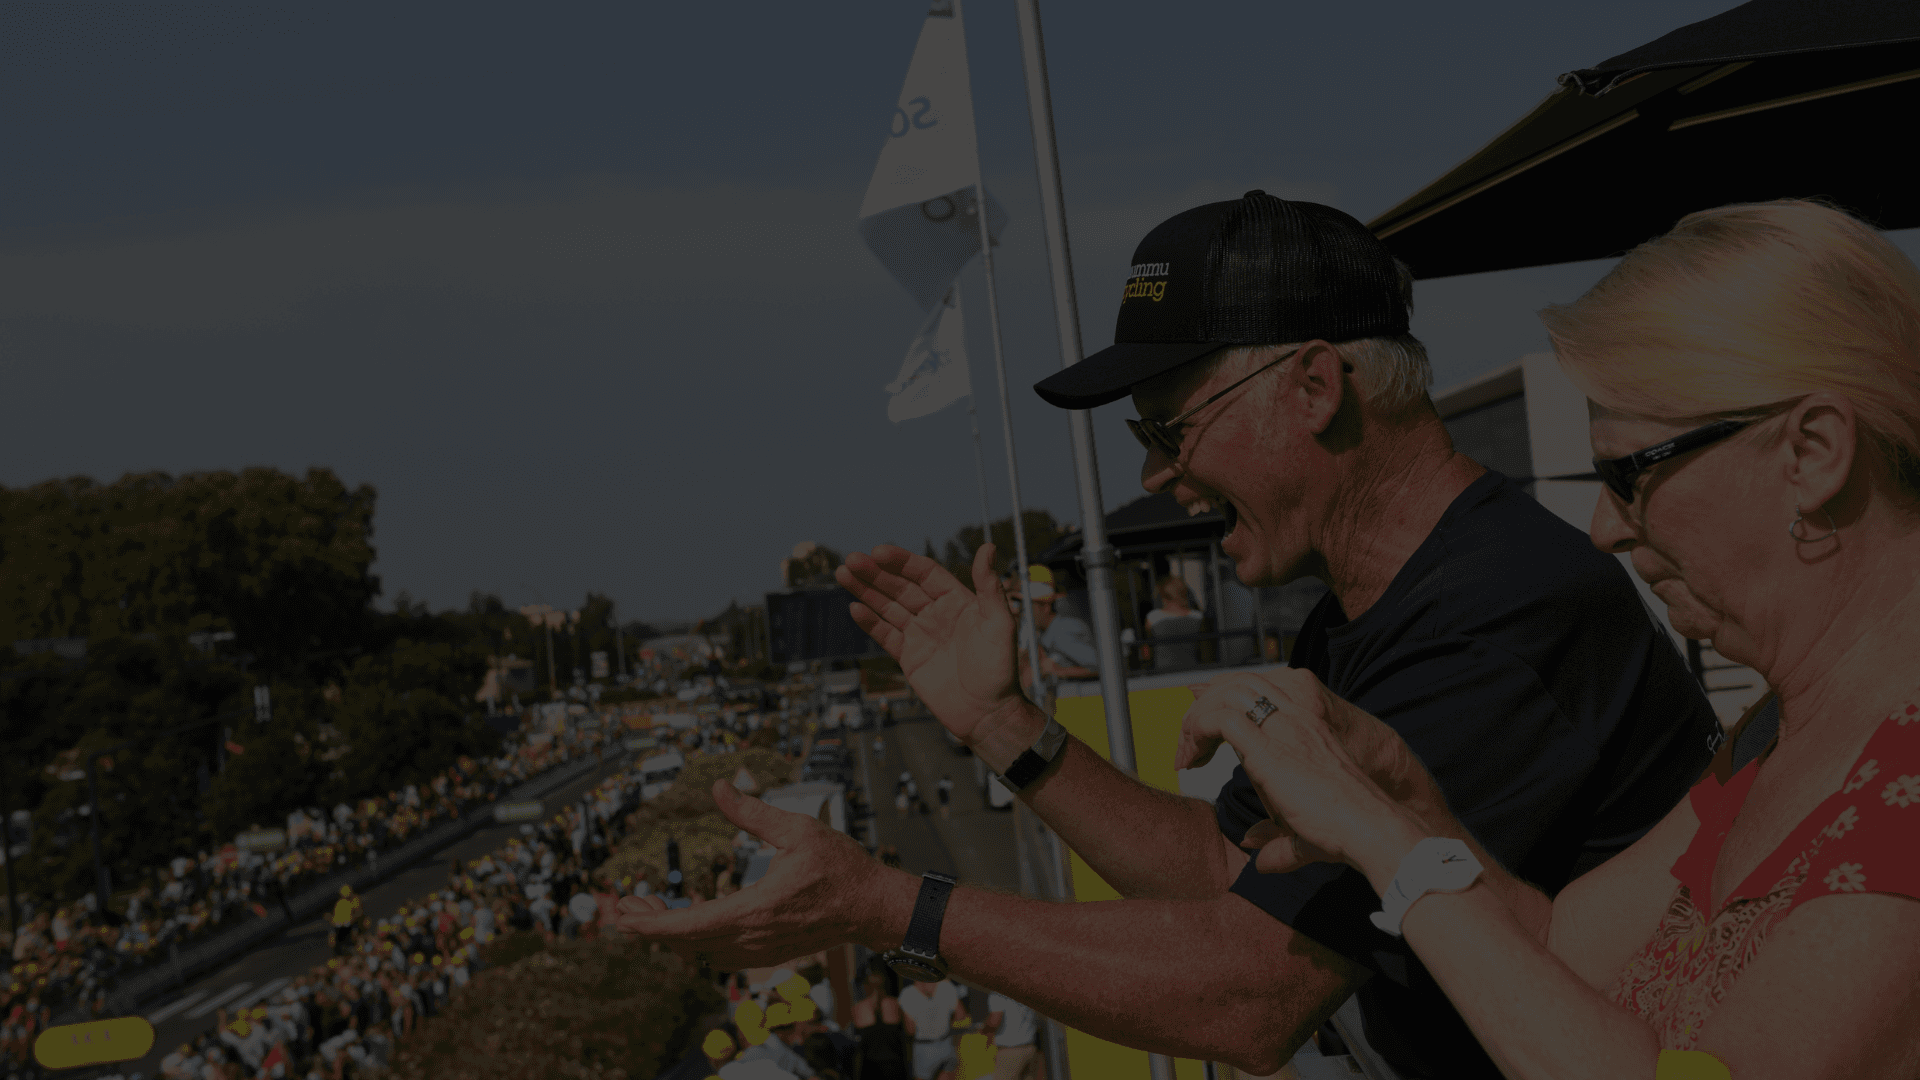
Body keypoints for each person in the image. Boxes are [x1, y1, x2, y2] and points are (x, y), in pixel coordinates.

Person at [616, 192, 1719, 1078]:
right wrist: (1007, 729)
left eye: (1168, 425)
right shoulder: (1377, 609)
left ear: (1313, 386)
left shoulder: (1502, 611)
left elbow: (1251, 992)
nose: (1156, 473)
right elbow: (1219, 872)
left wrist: (878, 905)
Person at [1184, 199, 1920, 1078]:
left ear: (1813, 451)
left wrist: (1389, 841)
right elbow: (1565, 947)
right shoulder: (1779, 729)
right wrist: (1412, 811)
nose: (1604, 524)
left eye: (1629, 473)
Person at [895, 977, 966, 1080]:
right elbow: (961, 1015)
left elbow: (910, 1030)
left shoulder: (907, 994)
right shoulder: (945, 985)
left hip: (924, 1049)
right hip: (946, 1043)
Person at [851, 964, 912, 1080]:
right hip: (895, 1066)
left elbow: (858, 1043)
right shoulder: (896, 1005)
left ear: (865, 985)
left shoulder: (857, 1009)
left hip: (870, 1068)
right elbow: (910, 1031)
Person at [1143, 576, 1205, 672]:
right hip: (1193, 671)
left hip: (1162, 673)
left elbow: (1147, 651)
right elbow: (1205, 651)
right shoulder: (1198, 616)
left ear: (1162, 595)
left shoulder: (1153, 617)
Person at [983, 992, 1041, 1080]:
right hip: (1030, 1048)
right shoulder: (1026, 990)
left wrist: (983, 1028)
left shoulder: (998, 994)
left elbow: (994, 1021)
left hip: (1010, 1051)